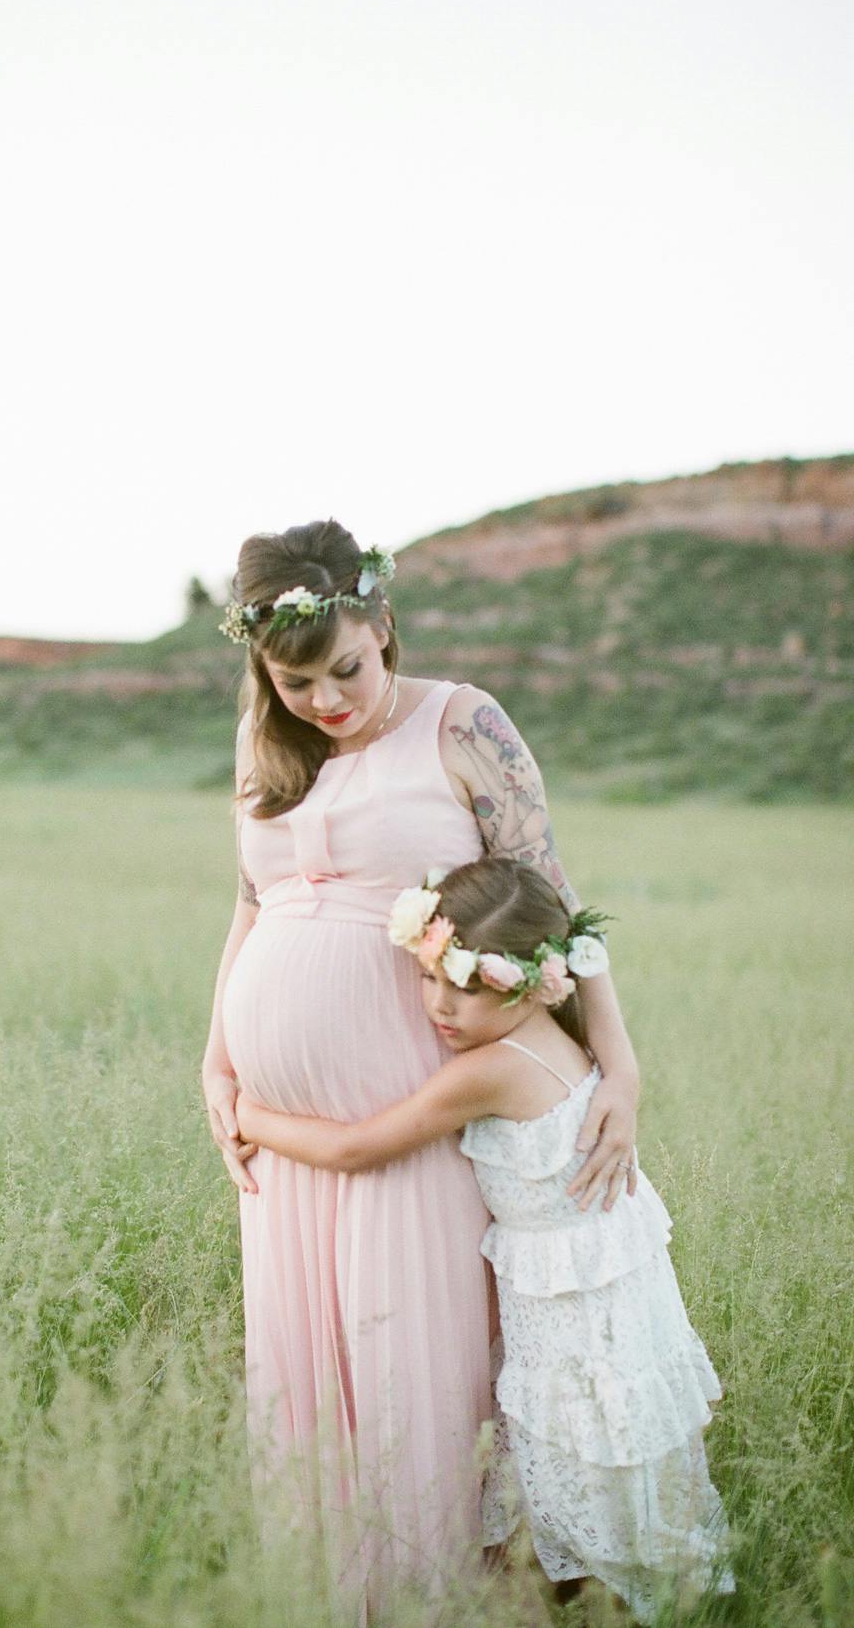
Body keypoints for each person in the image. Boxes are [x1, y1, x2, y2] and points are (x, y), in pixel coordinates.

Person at [200, 520, 641, 1608]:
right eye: (294, 680)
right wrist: (215, 1062)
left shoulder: (461, 722)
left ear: (383, 627)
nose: (326, 699)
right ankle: (330, 1594)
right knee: (309, 1371)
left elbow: (550, 893)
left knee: (412, 1357)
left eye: (344, 668)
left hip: (411, 1103)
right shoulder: (268, 753)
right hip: (284, 1142)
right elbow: (251, 906)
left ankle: (439, 1595)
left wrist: (617, 1069)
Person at [235, 856, 735, 1623]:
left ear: (535, 979)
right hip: (607, 1291)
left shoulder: (493, 1068)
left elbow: (356, 1147)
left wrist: (249, 1116)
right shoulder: (565, 1036)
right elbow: (589, 952)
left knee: (578, 1471)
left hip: (575, 1310)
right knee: (599, 1471)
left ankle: (593, 1599)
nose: (441, 1005)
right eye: (432, 976)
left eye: (468, 987)